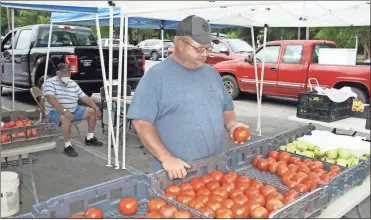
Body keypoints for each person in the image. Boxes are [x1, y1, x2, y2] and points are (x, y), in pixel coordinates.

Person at [127, 15, 250, 179]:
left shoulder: (212, 73)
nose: (205, 54)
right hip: (177, 174)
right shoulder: (156, 77)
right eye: (199, 49)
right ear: (180, 44)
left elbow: (226, 108)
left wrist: (232, 125)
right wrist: (166, 158)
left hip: (215, 170)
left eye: (208, 48)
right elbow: (141, 122)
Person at [43, 63, 103, 157]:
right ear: (58, 73)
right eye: (64, 73)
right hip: (55, 112)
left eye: (68, 73)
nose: (67, 75)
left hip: (74, 110)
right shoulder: (49, 82)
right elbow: (51, 99)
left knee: (92, 111)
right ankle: (67, 146)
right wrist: (64, 110)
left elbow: (83, 97)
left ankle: (90, 138)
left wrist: (96, 107)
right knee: (66, 117)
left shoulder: (73, 83)